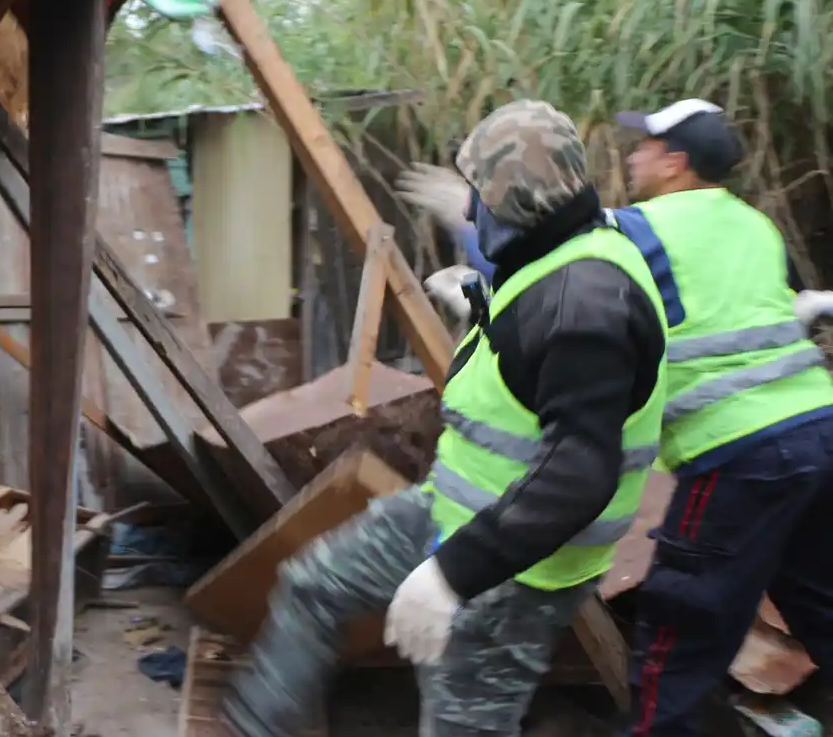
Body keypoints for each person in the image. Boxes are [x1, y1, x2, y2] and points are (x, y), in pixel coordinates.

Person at [221, 100, 670, 737]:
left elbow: (578, 473)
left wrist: (449, 577)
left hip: (514, 571)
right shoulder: (556, 252)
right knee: (313, 586)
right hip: (452, 513)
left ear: (520, 208)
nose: (467, 211)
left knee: (463, 726)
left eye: (478, 199)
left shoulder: (584, 309)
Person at [397, 99, 833, 736]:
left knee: (678, 632)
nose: (635, 156)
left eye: (648, 146)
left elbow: (540, 258)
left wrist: (463, 222)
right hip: (818, 431)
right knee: (820, 601)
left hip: (738, 449)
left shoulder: (637, 229)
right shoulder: (755, 225)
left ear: (677, 162)